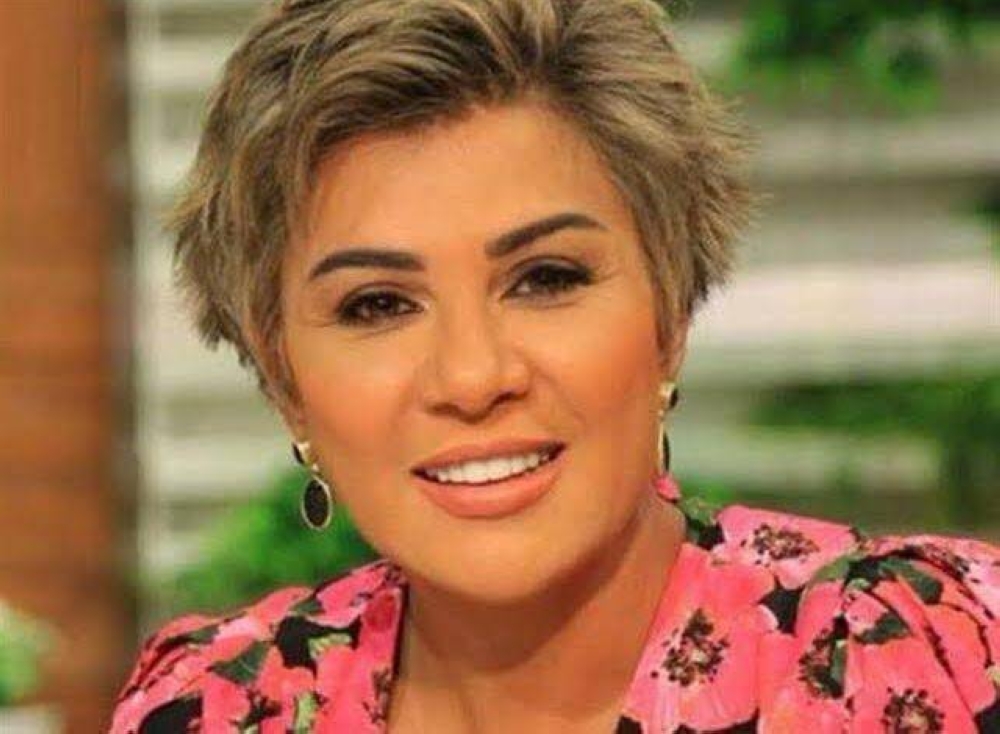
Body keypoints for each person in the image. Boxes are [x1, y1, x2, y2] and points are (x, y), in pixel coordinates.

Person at [111, 0, 1000, 731]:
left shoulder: (929, 652)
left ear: (670, 313)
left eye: (545, 279)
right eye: (377, 304)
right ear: (284, 382)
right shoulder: (217, 708)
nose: (472, 377)